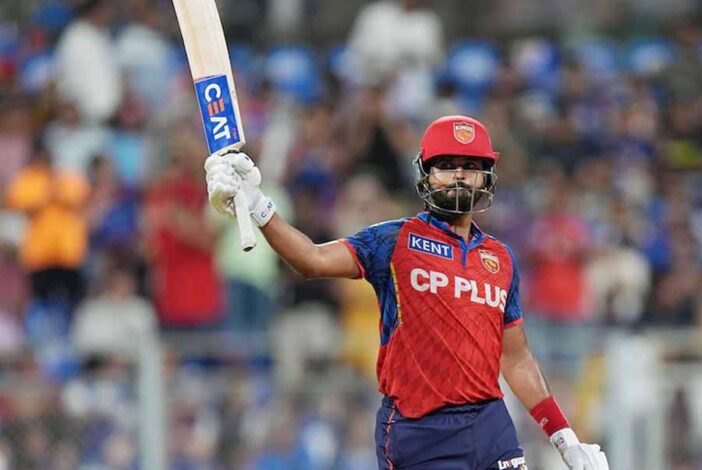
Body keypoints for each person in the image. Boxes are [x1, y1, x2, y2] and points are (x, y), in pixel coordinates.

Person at [206, 115, 609, 470]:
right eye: (446, 166)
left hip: (490, 427)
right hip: (418, 432)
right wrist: (258, 204)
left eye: (470, 167)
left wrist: (564, 438)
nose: (458, 176)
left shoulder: (500, 259)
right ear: (425, 174)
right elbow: (311, 259)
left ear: (487, 176)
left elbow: (516, 358)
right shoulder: (394, 240)